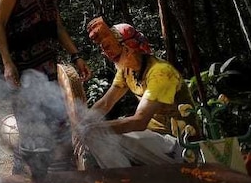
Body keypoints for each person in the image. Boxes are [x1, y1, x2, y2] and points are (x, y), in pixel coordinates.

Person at [0, 0, 91, 181]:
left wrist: (76, 55)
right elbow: (0, 26)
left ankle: (52, 179)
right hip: (23, 68)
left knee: (56, 122)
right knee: (29, 127)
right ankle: (21, 180)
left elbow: (57, 26)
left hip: (48, 66)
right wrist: (7, 63)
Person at [81, 17, 194, 167]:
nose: (106, 54)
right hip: (156, 139)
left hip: (180, 145)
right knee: (96, 135)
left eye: (108, 47)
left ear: (128, 47)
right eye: (103, 49)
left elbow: (140, 121)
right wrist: (82, 125)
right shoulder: (126, 71)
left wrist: (94, 129)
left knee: (101, 137)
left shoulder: (160, 72)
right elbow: (106, 103)